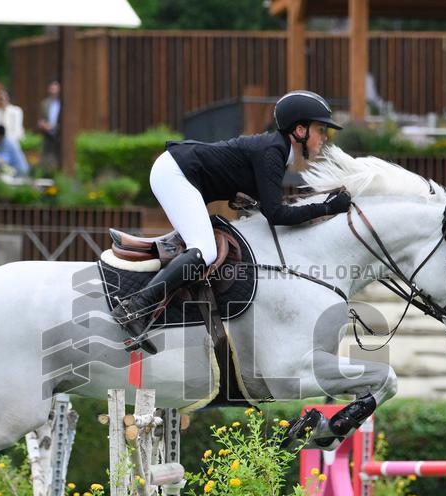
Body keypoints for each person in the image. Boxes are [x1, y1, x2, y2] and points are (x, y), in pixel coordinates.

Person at [110, 89, 352, 351]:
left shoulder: (276, 151)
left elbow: (270, 208)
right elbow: (278, 214)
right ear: (300, 130)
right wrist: (326, 207)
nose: (324, 138)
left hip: (179, 173)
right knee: (204, 250)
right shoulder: (273, 152)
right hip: (175, 173)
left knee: (203, 248)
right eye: (321, 129)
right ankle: (135, 309)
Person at [37, 81, 62, 172]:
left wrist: (53, 127)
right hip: (47, 137)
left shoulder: (63, 103)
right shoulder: (45, 103)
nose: (53, 90)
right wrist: (42, 124)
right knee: (45, 161)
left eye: (55, 88)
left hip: (59, 137)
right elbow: (42, 118)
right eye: (51, 88)